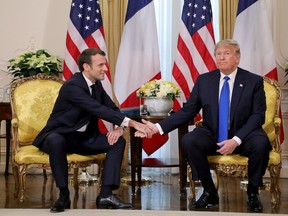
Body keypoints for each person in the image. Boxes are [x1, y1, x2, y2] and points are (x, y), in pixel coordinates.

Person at [137, 39, 271, 212]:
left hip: (244, 134)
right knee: (189, 140)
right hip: (213, 134)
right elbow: (188, 111)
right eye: (218, 54)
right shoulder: (205, 80)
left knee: (261, 143)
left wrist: (236, 140)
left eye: (227, 53)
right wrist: (158, 128)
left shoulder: (253, 81)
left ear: (237, 58)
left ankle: (253, 192)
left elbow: (258, 116)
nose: (221, 57)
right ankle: (209, 191)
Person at [33, 48, 153, 213]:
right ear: (86, 67)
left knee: (118, 142)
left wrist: (119, 128)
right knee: (56, 140)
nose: (105, 69)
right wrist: (134, 124)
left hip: (84, 139)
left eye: (105, 64)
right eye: (101, 65)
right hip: (60, 135)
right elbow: (96, 108)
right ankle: (63, 194)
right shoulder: (72, 86)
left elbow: (111, 108)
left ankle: (106, 195)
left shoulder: (96, 85)